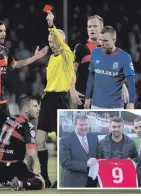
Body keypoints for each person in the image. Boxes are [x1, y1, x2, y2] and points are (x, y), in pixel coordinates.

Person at [0, 19, 49, 189]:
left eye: (4, 30)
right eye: (0, 30)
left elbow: (16, 64)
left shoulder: (5, 51)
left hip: (2, 105)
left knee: (12, 138)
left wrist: (35, 57)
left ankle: (9, 173)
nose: (3, 34)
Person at [35, 11, 83, 188]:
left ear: (61, 41)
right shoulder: (51, 59)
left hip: (60, 100)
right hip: (48, 99)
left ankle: (64, 179)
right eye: (49, 41)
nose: (51, 43)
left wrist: (51, 25)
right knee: (39, 141)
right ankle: (45, 179)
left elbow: (62, 46)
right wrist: (43, 100)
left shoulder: (68, 55)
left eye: (54, 40)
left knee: (63, 142)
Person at [0, 96, 45, 191]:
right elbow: (31, 154)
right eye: (35, 106)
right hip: (12, 167)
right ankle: (21, 183)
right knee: (40, 183)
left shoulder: (8, 120)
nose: (39, 109)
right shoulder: (27, 126)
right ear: (25, 109)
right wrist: (33, 170)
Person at [74, 15, 129, 109]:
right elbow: (71, 71)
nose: (92, 29)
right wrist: (72, 90)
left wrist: (123, 86)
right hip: (86, 99)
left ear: (102, 28)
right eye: (89, 26)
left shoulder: (109, 48)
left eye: (95, 26)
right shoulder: (80, 48)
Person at [84, 26, 135, 109]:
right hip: (96, 105)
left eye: (105, 41)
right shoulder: (95, 53)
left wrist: (131, 102)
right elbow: (91, 76)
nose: (102, 43)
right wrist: (87, 97)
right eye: (100, 40)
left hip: (115, 107)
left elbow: (131, 81)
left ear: (114, 40)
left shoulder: (125, 57)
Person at [59, 115, 99, 187]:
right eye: (81, 125)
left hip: (92, 183)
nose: (84, 127)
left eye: (86, 125)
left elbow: (99, 155)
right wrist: (86, 164)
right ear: (74, 125)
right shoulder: (65, 140)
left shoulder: (94, 137)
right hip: (73, 183)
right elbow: (65, 162)